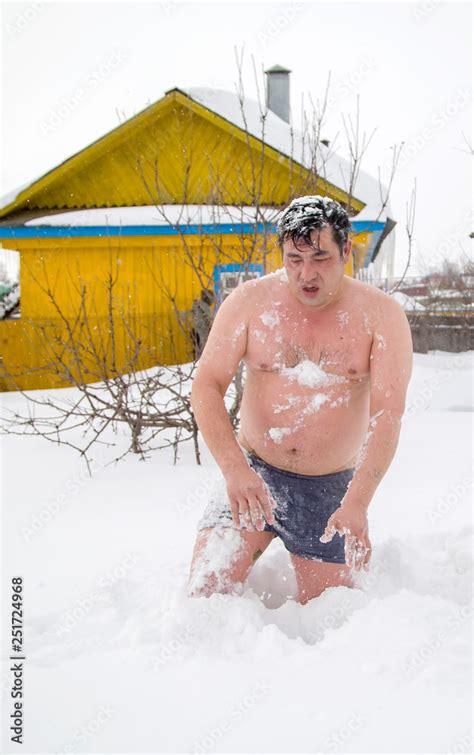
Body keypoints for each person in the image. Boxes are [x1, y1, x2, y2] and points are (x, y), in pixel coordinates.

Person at [187, 195, 413, 604]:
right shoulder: (250, 302)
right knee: (207, 596)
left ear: (346, 250)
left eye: (321, 258)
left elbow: (388, 415)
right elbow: (206, 384)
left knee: (329, 618)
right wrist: (236, 471)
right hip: (254, 476)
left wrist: (357, 503)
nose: (306, 273)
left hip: (329, 492)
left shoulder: (380, 315)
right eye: (294, 258)